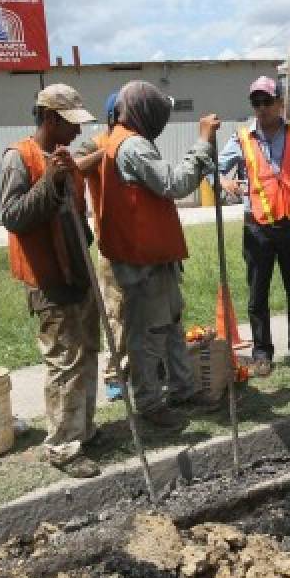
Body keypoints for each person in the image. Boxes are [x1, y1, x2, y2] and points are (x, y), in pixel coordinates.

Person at [96, 80, 222, 428]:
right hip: (142, 261)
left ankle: (183, 388)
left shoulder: (126, 140)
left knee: (171, 326)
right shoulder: (132, 145)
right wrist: (202, 142)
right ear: (144, 113)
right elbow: (175, 183)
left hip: (156, 256)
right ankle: (150, 403)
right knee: (148, 336)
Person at [0, 84, 101, 478]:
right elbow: (13, 216)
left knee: (87, 351)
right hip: (48, 277)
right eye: (70, 124)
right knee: (64, 361)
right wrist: (50, 182)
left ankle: (84, 430)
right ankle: (62, 445)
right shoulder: (19, 158)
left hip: (78, 270)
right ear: (48, 118)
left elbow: (78, 217)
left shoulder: (65, 159)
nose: (77, 133)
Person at [218, 75, 290, 377]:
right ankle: (262, 354)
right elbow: (212, 169)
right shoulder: (241, 139)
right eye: (256, 102)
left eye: (267, 101)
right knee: (257, 295)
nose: (262, 107)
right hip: (257, 228)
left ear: (280, 102)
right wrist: (223, 181)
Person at [76, 92, 128, 402]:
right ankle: (114, 375)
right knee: (116, 313)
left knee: (144, 312)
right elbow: (75, 167)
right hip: (112, 245)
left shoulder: (136, 145)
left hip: (141, 244)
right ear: (113, 119)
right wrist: (107, 153)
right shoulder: (97, 143)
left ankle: (140, 369)